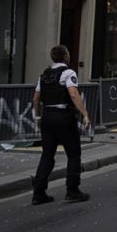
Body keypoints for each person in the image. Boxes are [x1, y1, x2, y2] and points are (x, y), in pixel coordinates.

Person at [31, 45, 91, 205]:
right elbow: (73, 93)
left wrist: (37, 117)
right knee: (73, 153)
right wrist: (85, 114)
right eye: (69, 54)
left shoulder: (43, 76)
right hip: (63, 116)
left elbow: (36, 99)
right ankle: (72, 190)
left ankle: (38, 192)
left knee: (47, 155)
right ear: (65, 56)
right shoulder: (68, 73)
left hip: (47, 116)